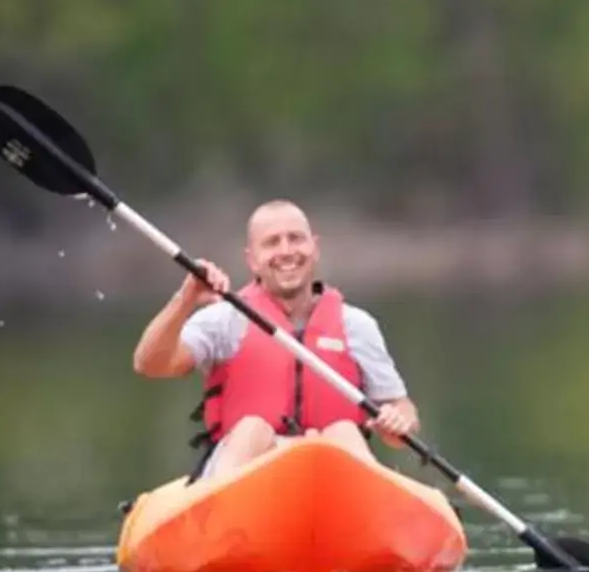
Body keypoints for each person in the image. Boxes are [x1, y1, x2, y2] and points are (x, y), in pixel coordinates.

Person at [132, 201, 420, 480]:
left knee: (343, 431)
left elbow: (400, 411)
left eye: (295, 239)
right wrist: (186, 300)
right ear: (252, 260)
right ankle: (222, 509)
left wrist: (398, 422)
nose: (286, 251)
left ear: (314, 247)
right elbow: (150, 364)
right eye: (271, 242)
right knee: (252, 429)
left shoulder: (356, 325)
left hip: (328, 477)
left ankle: (363, 511)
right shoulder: (224, 319)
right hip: (250, 472)